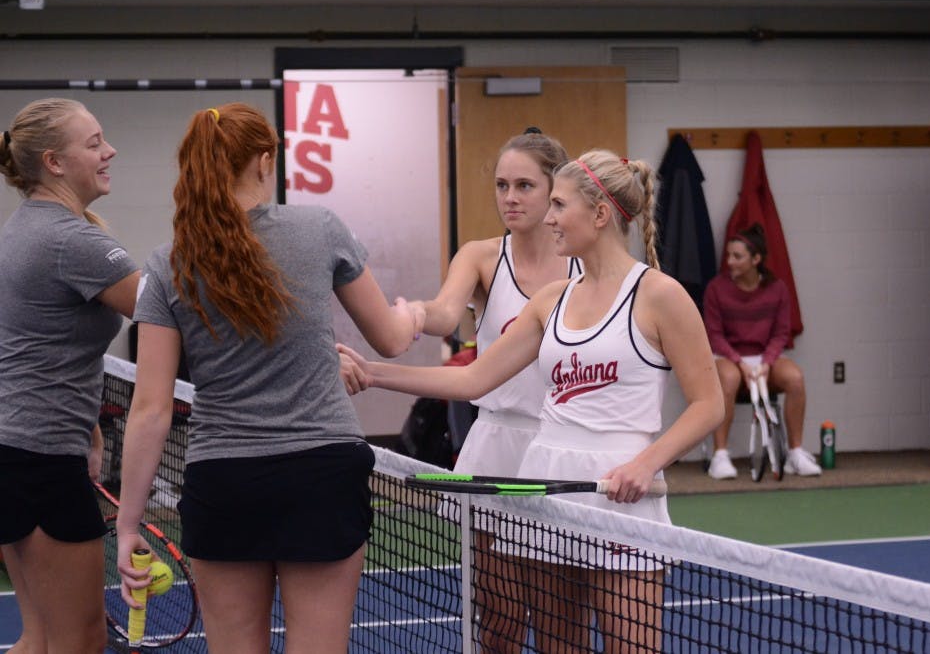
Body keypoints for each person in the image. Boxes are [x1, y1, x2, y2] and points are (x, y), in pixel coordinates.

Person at [340, 149, 724, 653]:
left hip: (622, 497)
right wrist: (373, 374)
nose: (548, 218)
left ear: (600, 214)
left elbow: (709, 404)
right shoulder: (551, 300)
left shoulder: (661, 295)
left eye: (559, 205)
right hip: (545, 485)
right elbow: (474, 379)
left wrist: (647, 462)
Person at [114, 102, 422, 654]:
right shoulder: (320, 228)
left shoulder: (167, 262)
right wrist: (414, 313)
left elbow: (151, 408)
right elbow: (392, 339)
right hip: (321, 476)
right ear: (263, 160)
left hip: (224, 484)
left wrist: (127, 524)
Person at [411, 127, 576, 653]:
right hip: (496, 449)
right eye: (502, 186)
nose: (510, 198)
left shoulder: (586, 266)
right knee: (499, 626)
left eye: (524, 186)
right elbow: (444, 314)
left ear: (554, 190)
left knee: (559, 629)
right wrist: (410, 315)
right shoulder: (481, 257)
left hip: (562, 451)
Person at [0, 98, 140, 654]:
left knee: (39, 639)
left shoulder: (26, 227)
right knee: (80, 641)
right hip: (38, 461)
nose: (110, 151)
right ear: (54, 163)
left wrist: (90, 427)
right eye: (94, 143)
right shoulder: (71, 241)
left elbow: (37, 343)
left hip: (17, 451)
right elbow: (172, 313)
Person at [702, 223, 821, 480]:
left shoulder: (777, 289)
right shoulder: (716, 289)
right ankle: (719, 456)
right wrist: (740, 363)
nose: (730, 261)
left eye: (737, 256)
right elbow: (714, 336)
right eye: (729, 255)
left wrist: (766, 363)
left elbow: (781, 333)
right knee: (728, 378)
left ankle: (795, 454)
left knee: (795, 378)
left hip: (765, 359)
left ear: (756, 259)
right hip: (728, 358)